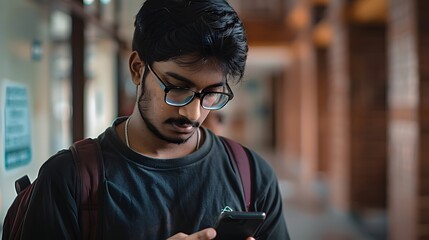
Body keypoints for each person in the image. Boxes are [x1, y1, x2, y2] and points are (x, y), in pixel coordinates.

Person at [3, 0, 290, 239]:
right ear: (138, 69)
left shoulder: (252, 176)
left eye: (211, 94)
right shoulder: (69, 179)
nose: (193, 113)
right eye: (178, 88)